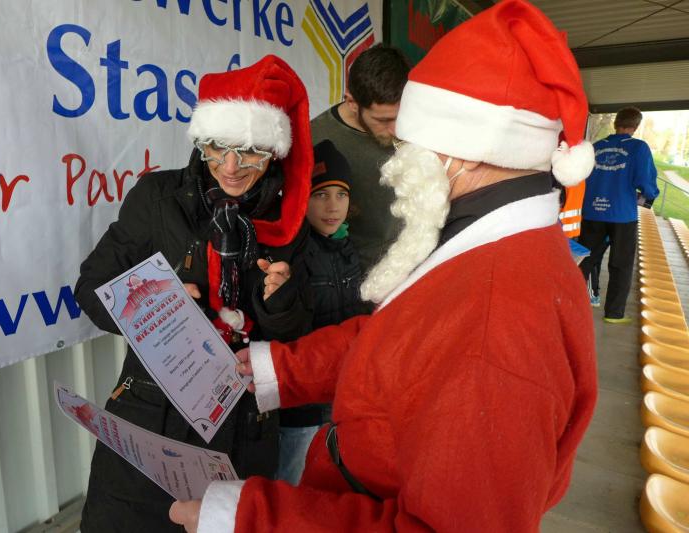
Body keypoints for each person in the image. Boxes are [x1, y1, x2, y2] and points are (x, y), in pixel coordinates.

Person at [169, 1, 598, 531]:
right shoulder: (487, 244)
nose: (398, 156)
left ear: (463, 150)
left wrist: (249, 517)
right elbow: (399, 345)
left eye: (412, 138)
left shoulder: (497, 325)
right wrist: (282, 368)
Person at [74, 54, 315, 532]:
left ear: (273, 152)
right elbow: (92, 285)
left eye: (250, 151)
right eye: (217, 148)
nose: (231, 167)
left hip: (243, 425)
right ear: (202, 141)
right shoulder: (159, 199)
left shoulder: (289, 221)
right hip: (153, 417)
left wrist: (281, 301)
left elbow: (296, 330)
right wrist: (154, 304)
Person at [276, 140, 371, 485]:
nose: (333, 206)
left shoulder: (348, 250)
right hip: (300, 408)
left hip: (341, 401)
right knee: (291, 483)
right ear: (302, 198)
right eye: (320, 195)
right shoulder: (290, 255)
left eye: (341, 195)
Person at [311, 44, 411, 274]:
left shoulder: (417, 125)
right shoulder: (315, 141)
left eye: (401, 116)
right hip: (353, 280)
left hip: (415, 270)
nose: (396, 129)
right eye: (383, 120)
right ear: (352, 102)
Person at [578, 106, 660, 323]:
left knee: (585, 260)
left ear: (616, 123)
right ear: (636, 126)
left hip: (592, 212)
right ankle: (614, 314)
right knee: (621, 264)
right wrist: (651, 195)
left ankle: (569, 304)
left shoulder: (595, 147)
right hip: (622, 215)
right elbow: (646, 180)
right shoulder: (638, 147)